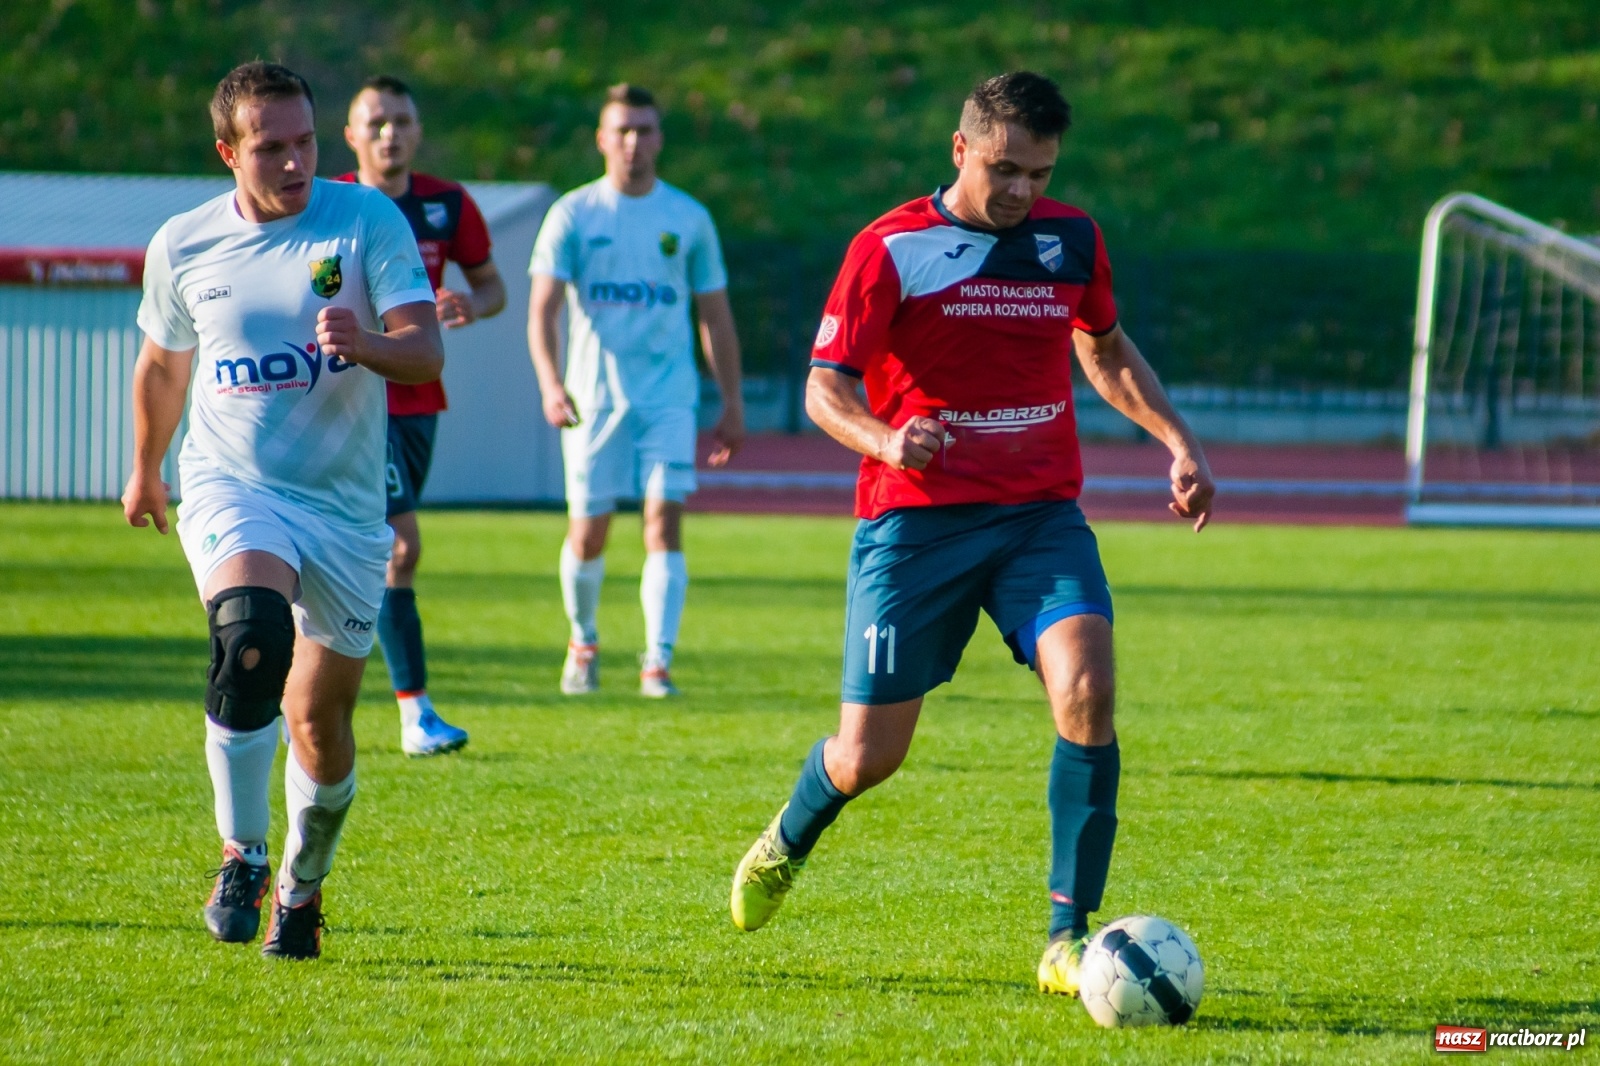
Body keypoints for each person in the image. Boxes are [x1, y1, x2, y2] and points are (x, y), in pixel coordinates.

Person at [728, 72, 1217, 998]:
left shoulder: (1071, 241)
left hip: (1038, 518)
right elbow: (822, 390)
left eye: (1039, 172)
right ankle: (789, 836)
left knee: (1089, 688)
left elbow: (1105, 350)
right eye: (1005, 169)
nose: (1023, 190)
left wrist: (1178, 441)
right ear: (961, 151)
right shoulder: (890, 248)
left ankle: (1065, 939)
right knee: (868, 756)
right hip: (914, 526)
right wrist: (888, 438)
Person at [122, 62, 442, 959]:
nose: (296, 162)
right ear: (228, 152)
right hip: (232, 485)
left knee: (319, 725)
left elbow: (426, 353)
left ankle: (301, 890)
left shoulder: (366, 218)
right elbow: (161, 368)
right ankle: (244, 852)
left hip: (343, 512)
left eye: (305, 142)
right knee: (248, 631)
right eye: (271, 148)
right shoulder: (184, 244)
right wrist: (146, 469)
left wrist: (369, 343)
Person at [528, 83, 745, 698]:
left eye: (645, 130)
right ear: (602, 139)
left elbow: (715, 316)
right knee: (589, 531)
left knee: (662, 521)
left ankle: (657, 662)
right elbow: (542, 309)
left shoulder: (688, 218)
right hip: (592, 399)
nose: (633, 142)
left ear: (659, 139)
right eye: (622, 130)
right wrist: (550, 382)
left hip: (668, 398)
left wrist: (731, 402)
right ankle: (584, 640)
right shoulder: (574, 214)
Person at [339, 75, 507, 757]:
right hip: (355, 401)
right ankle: (415, 716)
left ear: (417, 130)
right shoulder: (334, 205)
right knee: (398, 547)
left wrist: (474, 302)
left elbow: (492, 283)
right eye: (375, 122)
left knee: (377, 557)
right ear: (351, 136)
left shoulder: (446, 203)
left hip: (418, 398)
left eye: (401, 120)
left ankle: (313, 701)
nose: (390, 132)